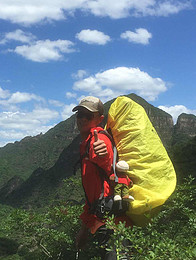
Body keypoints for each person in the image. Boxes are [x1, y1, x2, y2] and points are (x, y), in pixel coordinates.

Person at [73, 96, 122, 259]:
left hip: (109, 219)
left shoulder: (99, 139)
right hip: (101, 215)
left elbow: (106, 160)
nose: (82, 119)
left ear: (100, 119)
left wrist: (103, 154)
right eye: (79, 114)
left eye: (88, 115)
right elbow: (91, 195)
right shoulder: (86, 143)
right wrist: (83, 230)